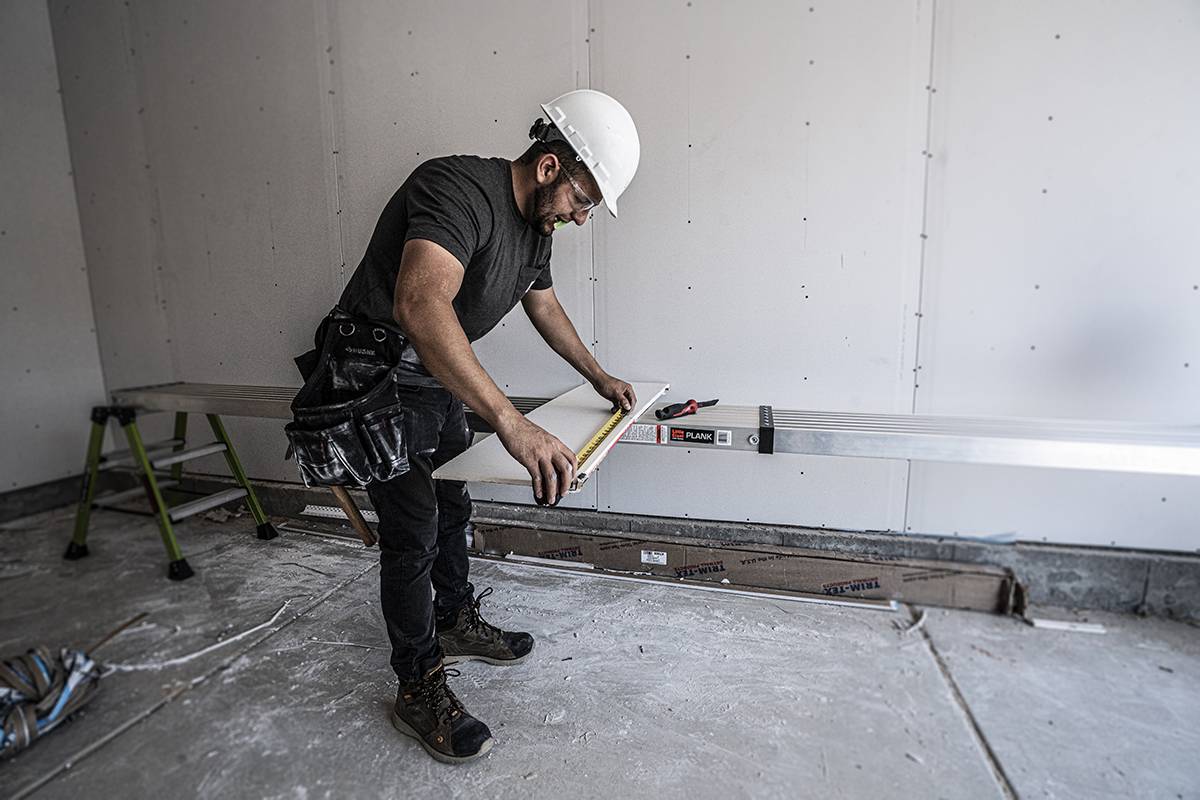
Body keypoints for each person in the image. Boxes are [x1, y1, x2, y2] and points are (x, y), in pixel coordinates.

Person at [335, 90, 641, 763]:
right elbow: (420, 303)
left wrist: (597, 375)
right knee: (412, 534)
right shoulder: (456, 188)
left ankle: (452, 621)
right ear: (549, 166)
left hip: (435, 376)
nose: (580, 217)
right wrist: (510, 421)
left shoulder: (537, 230)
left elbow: (545, 307)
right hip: (377, 374)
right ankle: (417, 684)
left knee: (453, 505)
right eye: (583, 200)